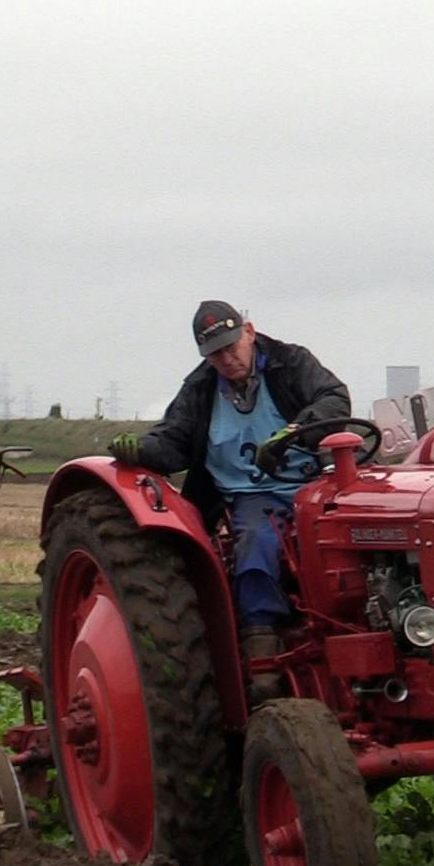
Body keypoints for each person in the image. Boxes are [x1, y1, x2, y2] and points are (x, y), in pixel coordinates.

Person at [108, 300, 351, 701]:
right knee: (258, 540)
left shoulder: (292, 362)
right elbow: (174, 440)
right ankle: (262, 647)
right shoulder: (201, 388)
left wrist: (293, 432)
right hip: (255, 494)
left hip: (315, 483)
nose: (227, 359)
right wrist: (143, 450)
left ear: (249, 332)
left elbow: (333, 399)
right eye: (216, 354)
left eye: (231, 347)